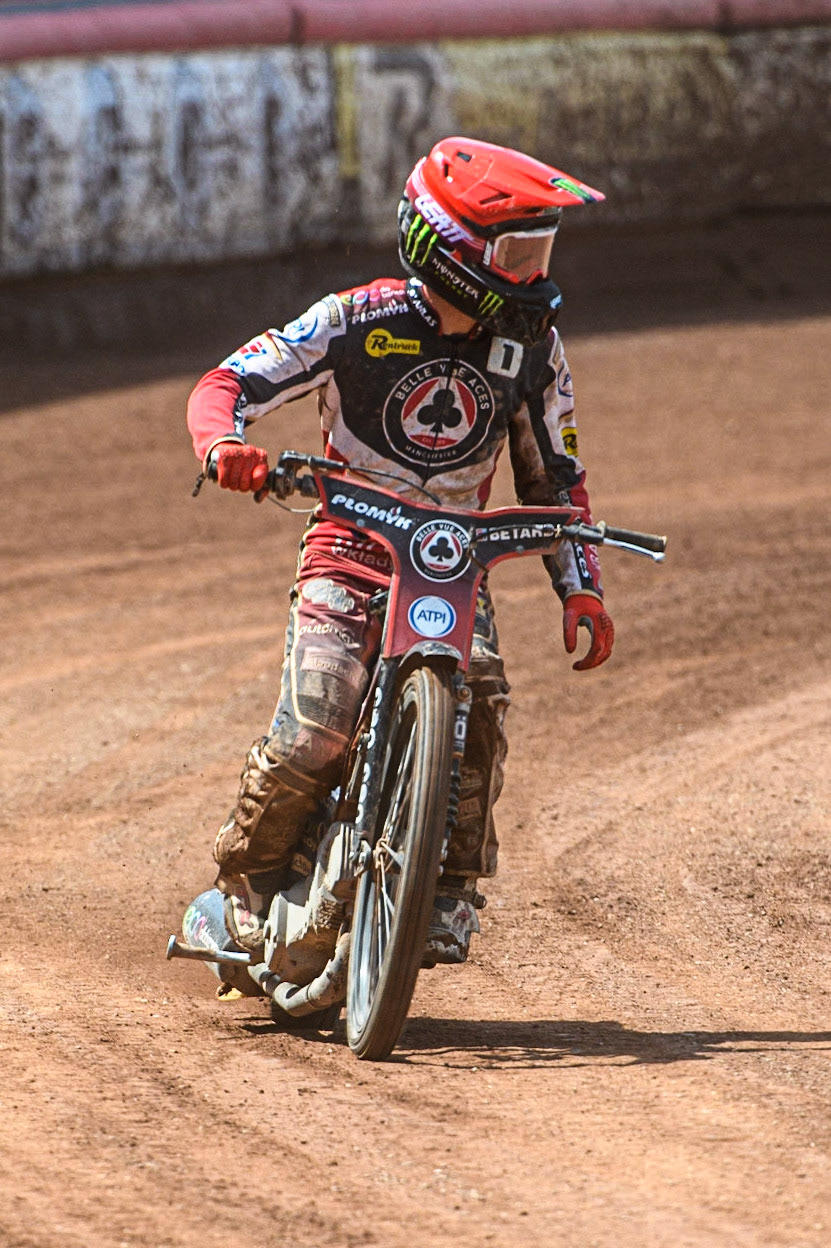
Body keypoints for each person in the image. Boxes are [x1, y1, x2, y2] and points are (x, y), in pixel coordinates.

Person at [186, 136, 614, 968]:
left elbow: (556, 478)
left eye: (541, 252)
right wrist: (223, 446)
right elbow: (226, 384)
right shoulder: (355, 319)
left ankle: (447, 889)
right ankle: (242, 890)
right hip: (348, 547)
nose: (532, 274)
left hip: (455, 564)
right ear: (450, 252)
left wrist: (581, 589)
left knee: (480, 698)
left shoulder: (533, 349)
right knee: (317, 726)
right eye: (515, 254)